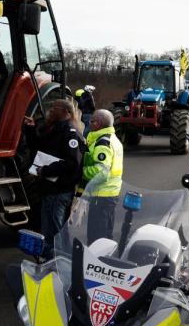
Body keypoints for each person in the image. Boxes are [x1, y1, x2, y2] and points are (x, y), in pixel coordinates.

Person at [23, 100, 86, 258]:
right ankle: (51, 262)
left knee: (56, 233)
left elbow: (72, 163)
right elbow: (38, 149)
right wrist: (30, 130)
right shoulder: (53, 130)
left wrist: (46, 170)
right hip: (49, 189)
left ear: (65, 112)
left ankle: (59, 262)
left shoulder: (70, 133)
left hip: (59, 191)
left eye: (54, 108)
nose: (50, 110)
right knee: (48, 232)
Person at [79, 108, 123, 243]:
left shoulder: (103, 143)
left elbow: (101, 173)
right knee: (105, 236)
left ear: (98, 123)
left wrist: (81, 171)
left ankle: (97, 257)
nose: (89, 124)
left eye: (91, 121)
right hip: (110, 194)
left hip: (101, 196)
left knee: (96, 238)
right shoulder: (113, 139)